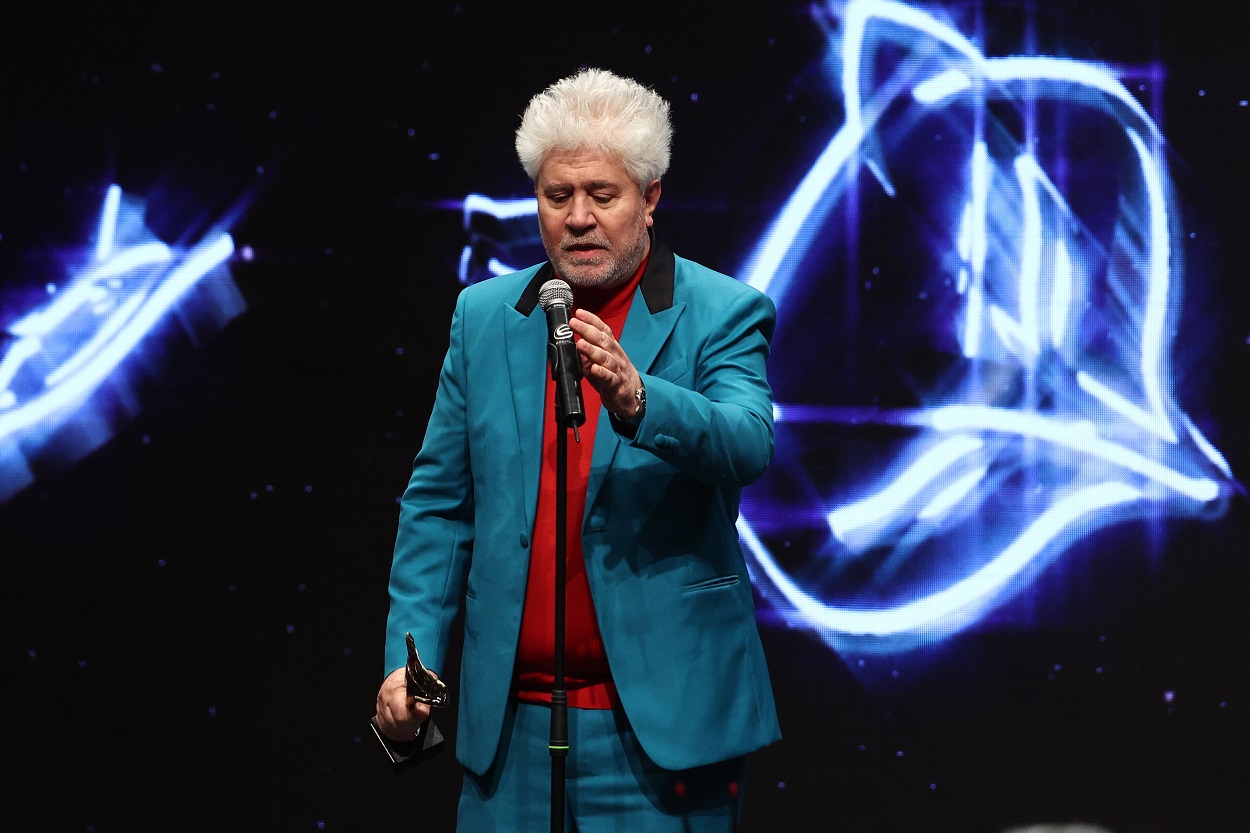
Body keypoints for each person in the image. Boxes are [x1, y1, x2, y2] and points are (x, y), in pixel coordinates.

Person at [373, 66, 781, 831]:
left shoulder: (722, 310)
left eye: (603, 194)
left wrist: (640, 398)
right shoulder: (486, 316)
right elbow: (437, 505)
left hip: (661, 737)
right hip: (508, 735)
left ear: (651, 198)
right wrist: (412, 658)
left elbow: (747, 441)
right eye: (558, 197)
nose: (579, 218)